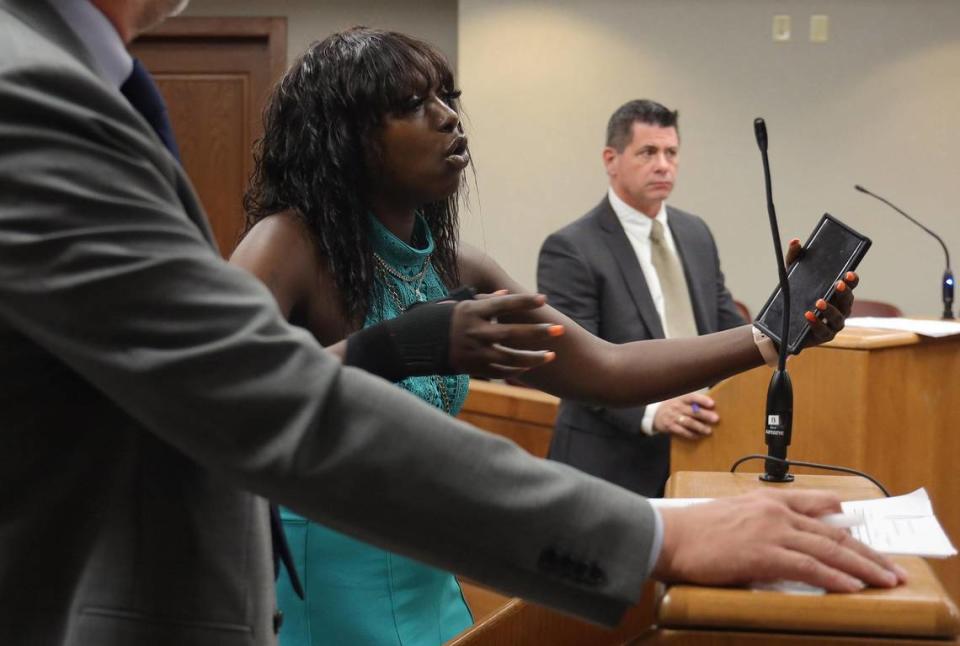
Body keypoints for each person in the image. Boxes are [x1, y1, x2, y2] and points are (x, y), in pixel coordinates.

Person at [0, 4, 905, 645]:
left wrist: (768, 335)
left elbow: (606, 369)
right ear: (348, 136)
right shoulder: (286, 247)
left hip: (432, 582)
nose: (448, 120)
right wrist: (403, 348)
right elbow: (234, 400)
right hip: (323, 595)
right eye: (413, 105)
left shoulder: (455, 264)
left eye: (450, 99)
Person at [538, 99, 746, 497]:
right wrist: (652, 412)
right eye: (648, 152)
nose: (663, 165)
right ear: (611, 159)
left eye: (671, 152)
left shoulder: (695, 233)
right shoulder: (571, 248)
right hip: (610, 463)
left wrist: (777, 338)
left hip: (703, 445)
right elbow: (573, 364)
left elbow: (725, 325)